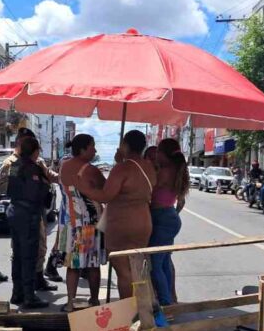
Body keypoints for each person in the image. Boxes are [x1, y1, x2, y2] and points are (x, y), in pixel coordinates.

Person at [76, 129, 156, 299]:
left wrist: (85, 188)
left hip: (122, 224)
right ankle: (141, 309)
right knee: (137, 269)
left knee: (124, 271)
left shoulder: (122, 169)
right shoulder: (149, 167)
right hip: (143, 221)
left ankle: (128, 313)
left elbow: (106, 195)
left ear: (125, 145)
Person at [0, 128, 57, 291]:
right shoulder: (11, 163)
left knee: (41, 245)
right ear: (19, 143)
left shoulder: (38, 162)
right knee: (22, 251)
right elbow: (2, 187)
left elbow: (49, 176)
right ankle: (24, 288)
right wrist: (26, 188)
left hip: (38, 210)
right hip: (22, 210)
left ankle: (37, 278)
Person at [56, 133, 107, 312]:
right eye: (92, 146)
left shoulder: (63, 166)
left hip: (69, 222)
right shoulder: (90, 170)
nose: (95, 150)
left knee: (73, 265)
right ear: (83, 149)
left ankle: (70, 302)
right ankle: (93, 301)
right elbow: (106, 189)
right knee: (92, 265)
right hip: (89, 223)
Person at [7, 136, 51, 309]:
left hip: (15, 211)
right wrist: (45, 184)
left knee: (18, 255)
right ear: (35, 151)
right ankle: (29, 296)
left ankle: (17, 293)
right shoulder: (32, 168)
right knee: (28, 256)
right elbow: (36, 193)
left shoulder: (15, 165)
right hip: (27, 214)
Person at [144, 140, 189, 306]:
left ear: (163, 154)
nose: (155, 156)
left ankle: (165, 302)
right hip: (168, 216)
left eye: (157, 153)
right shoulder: (174, 169)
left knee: (155, 265)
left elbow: (147, 186)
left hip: (162, 217)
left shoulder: (164, 171)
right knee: (163, 263)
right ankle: (168, 298)